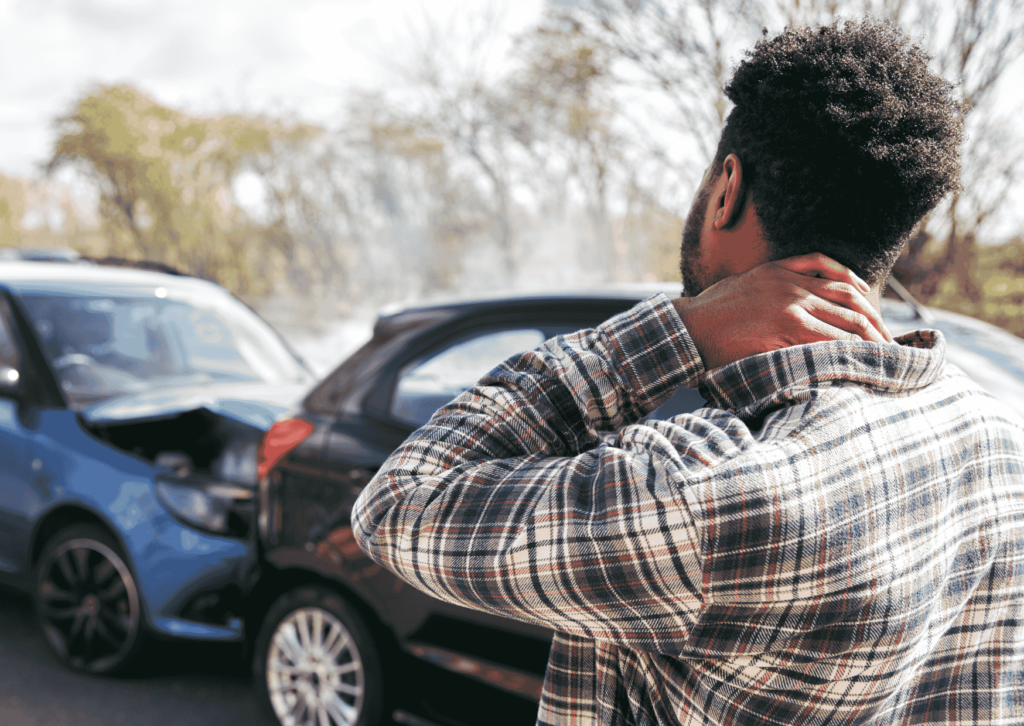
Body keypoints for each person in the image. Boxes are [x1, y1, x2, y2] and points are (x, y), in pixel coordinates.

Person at [352, 17, 1024, 726]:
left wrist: (682, 327)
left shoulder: (704, 493)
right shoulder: (999, 440)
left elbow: (400, 502)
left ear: (726, 188)